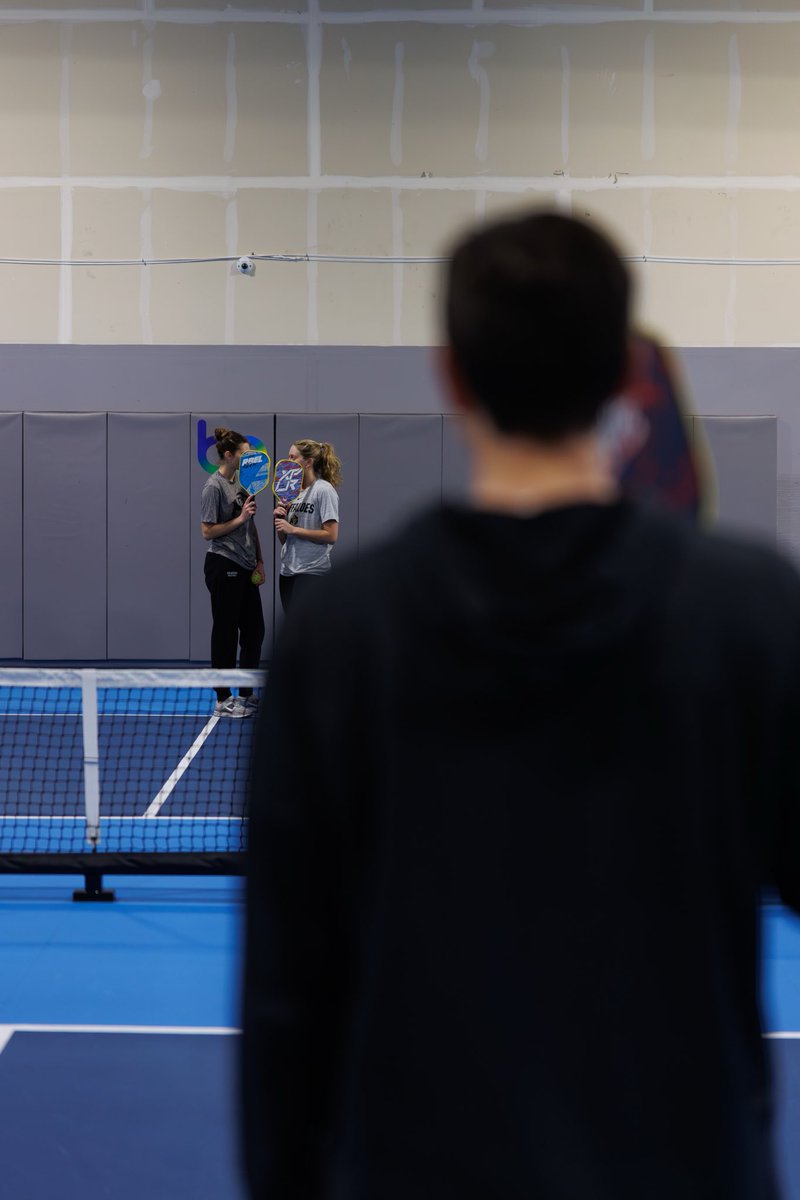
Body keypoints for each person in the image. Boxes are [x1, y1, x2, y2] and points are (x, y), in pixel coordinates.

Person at [242, 212, 800, 1199]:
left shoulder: (339, 638)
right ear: (625, 377)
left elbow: (289, 1004)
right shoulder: (748, 613)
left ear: (449, 375)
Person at [200, 427, 265, 718]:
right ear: (229, 454)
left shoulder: (243, 483)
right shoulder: (213, 487)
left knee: (254, 630)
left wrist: (260, 561)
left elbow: (250, 525)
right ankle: (223, 698)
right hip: (223, 563)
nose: (248, 457)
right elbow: (207, 531)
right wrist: (239, 518)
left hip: (246, 564)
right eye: (244, 453)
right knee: (225, 631)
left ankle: (246, 694)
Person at [274, 439, 341, 612]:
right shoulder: (291, 493)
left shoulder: (323, 490)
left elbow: (331, 536)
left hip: (312, 573)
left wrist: (293, 529)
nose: (288, 461)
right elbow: (285, 539)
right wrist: (281, 521)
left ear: (308, 462)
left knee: (311, 634)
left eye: (293, 457)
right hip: (288, 572)